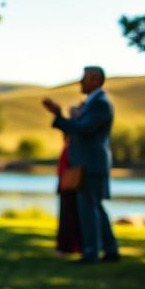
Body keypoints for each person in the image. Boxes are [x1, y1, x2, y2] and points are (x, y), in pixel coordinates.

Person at [42, 65, 120, 264]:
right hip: (89, 163)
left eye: (84, 78)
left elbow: (84, 129)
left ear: (95, 80)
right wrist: (61, 115)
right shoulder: (92, 103)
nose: (80, 82)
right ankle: (110, 251)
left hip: (90, 164)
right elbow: (80, 128)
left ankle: (91, 253)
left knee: (88, 209)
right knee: (96, 207)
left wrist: (59, 118)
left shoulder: (100, 104)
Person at [54, 105, 82, 255]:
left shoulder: (78, 134)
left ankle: (68, 247)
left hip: (70, 179)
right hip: (66, 178)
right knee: (68, 213)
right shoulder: (73, 135)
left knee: (70, 214)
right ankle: (69, 247)